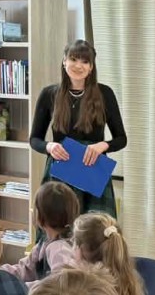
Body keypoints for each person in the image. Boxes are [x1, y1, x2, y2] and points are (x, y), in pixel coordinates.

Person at [29, 39, 126, 216]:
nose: (78, 65)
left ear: (91, 67)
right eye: (73, 59)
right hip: (60, 170)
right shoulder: (49, 94)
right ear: (64, 61)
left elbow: (121, 139)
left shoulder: (105, 93)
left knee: (95, 233)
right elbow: (34, 139)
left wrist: (101, 146)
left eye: (85, 61)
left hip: (93, 168)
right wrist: (49, 147)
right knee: (58, 229)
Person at [2, 180, 81, 285]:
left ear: (40, 216)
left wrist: (25, 287)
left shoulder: (59, 248)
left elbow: (60, 284)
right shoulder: (45, 242)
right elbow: (25, 268)